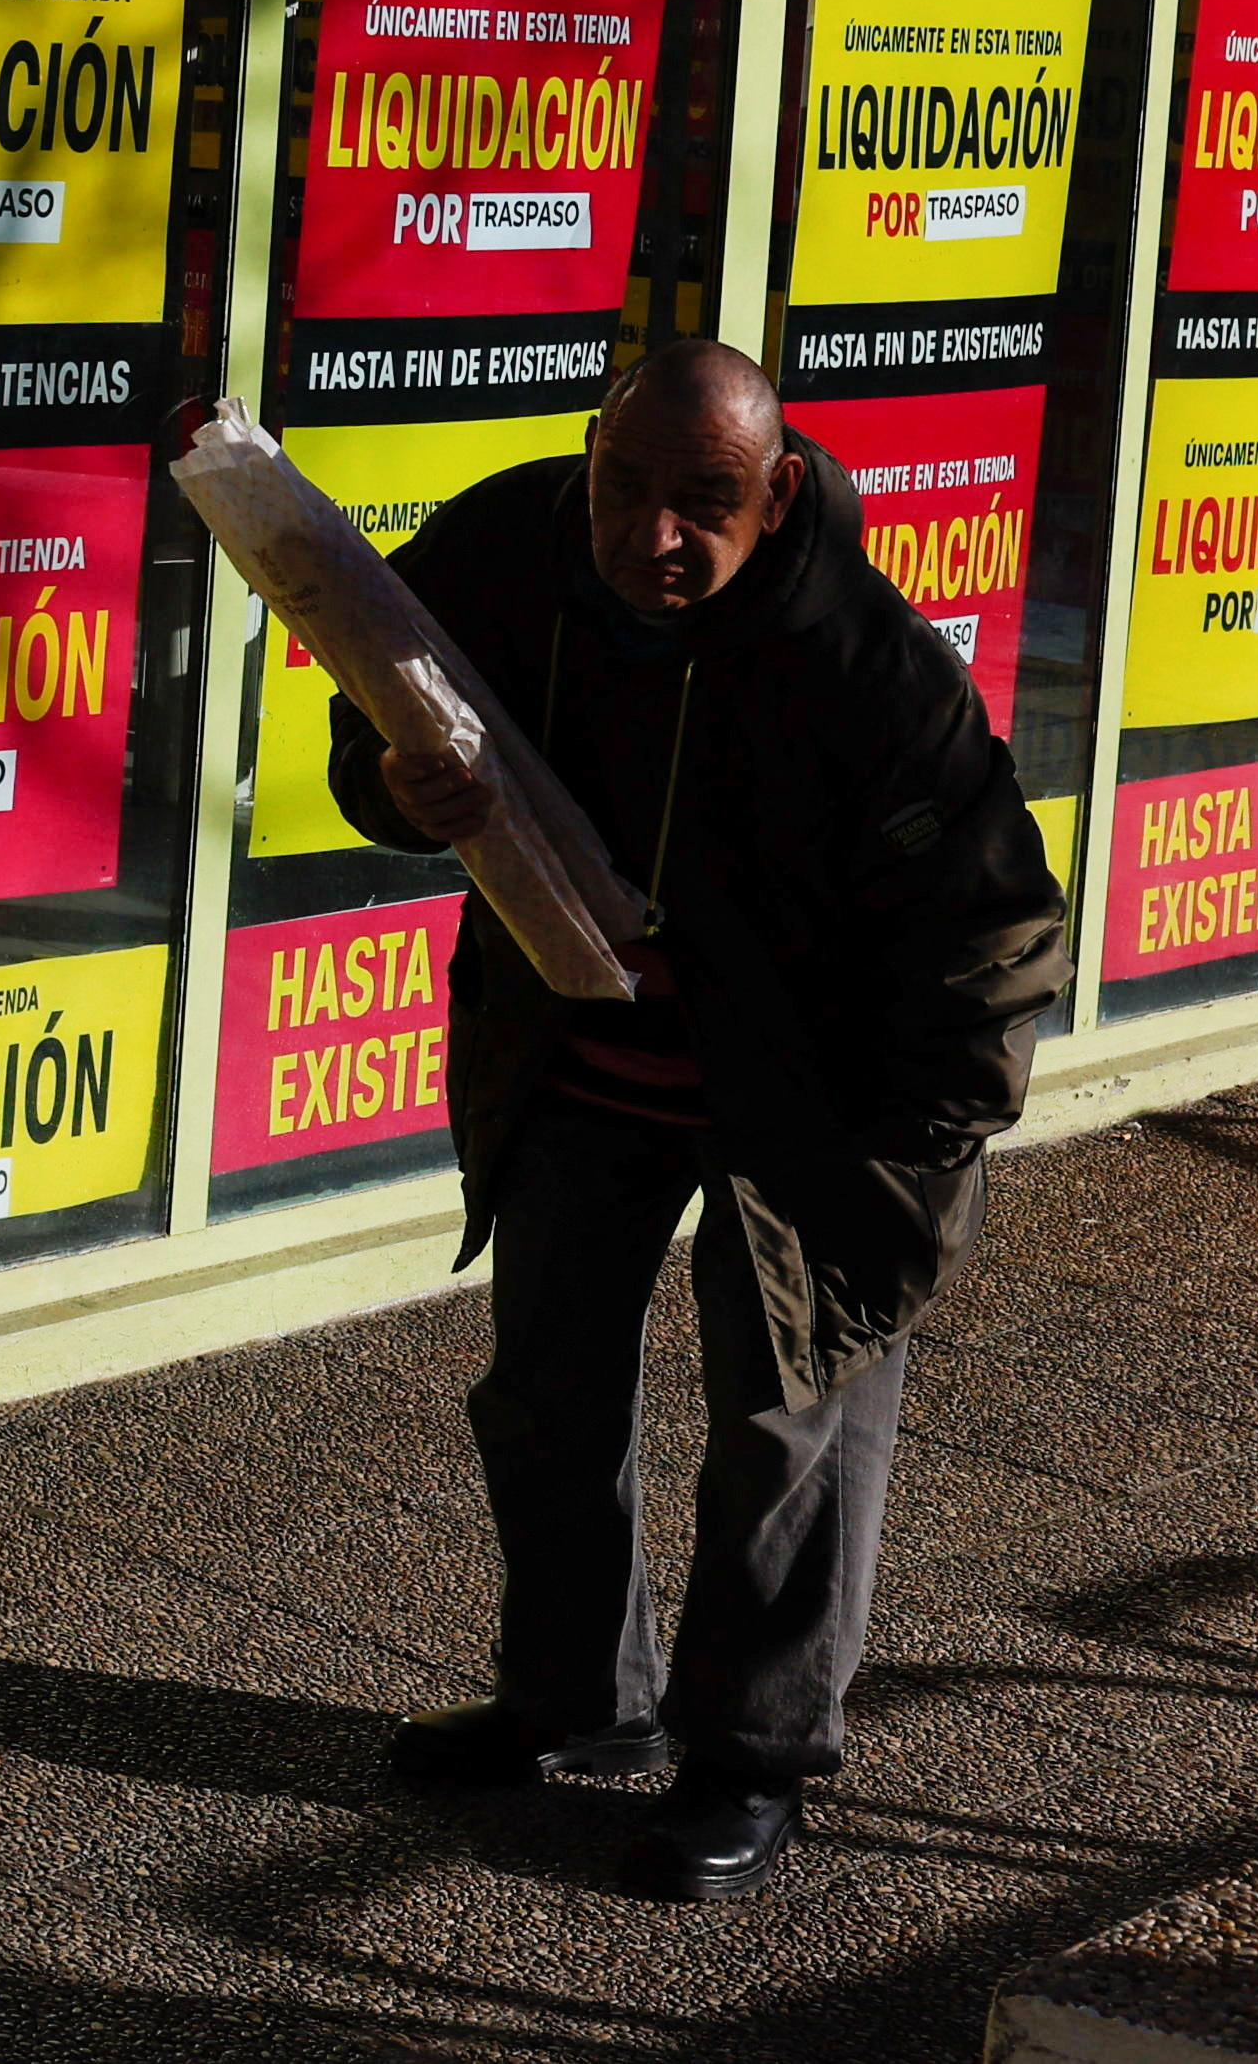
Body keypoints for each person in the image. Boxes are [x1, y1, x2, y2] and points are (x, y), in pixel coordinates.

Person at [327, 335, 1065, 1902]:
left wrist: (908, 1147)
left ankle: (750, 1757)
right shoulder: (497, 549)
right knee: (542, 1391)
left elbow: (994, 932)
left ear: (778, 491)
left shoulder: (872, 669)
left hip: (809, 1099)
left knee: (787, 1423)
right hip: (581, 1062)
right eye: (623, 486)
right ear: (586, 453)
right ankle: (575, 1700)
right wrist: (402, 790)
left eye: (703, 504)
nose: (650, 535)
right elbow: (367, 711)